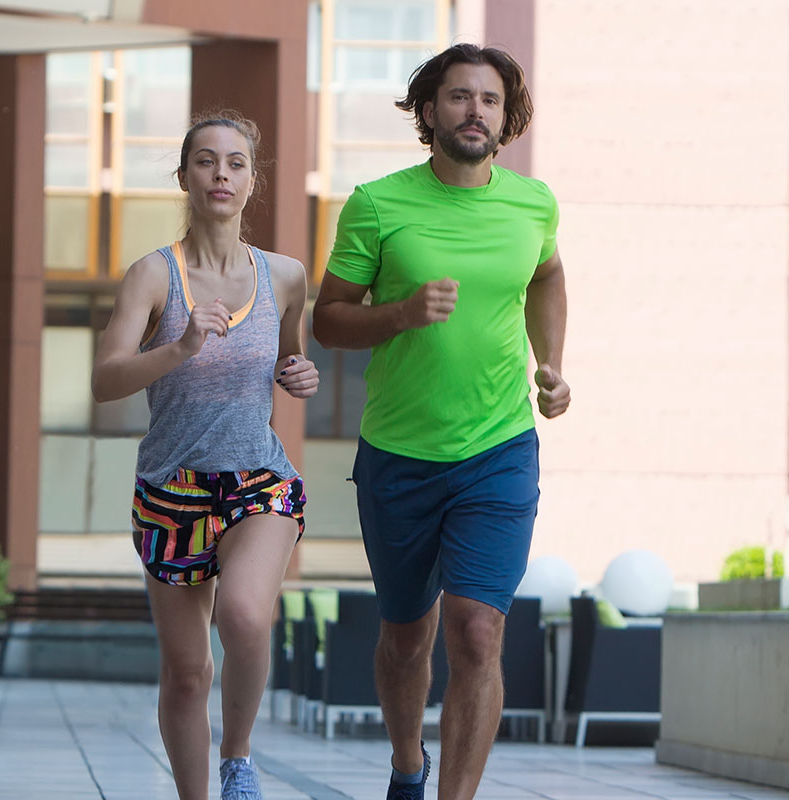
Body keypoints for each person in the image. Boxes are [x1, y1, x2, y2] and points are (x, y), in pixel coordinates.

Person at [310, 43, 570, 800]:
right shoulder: (377, 204)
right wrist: (398, 313)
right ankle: (406, 767)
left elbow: (548, 274)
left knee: (477, 631)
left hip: (498, 447)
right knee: (405, 637)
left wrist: (552, 363)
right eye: (459, 97)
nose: (475, 111)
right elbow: (329, 320)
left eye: (489, 99)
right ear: (430, 111)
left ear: (505, 116)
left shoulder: (534, 204)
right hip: (399, 453)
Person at [92, 112, 319, 800]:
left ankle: (238, 757)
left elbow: (287, 357)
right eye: (206, 161)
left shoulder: (285, 277)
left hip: (259, 478)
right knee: (188, 675)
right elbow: (105, 380)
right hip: (172, 488)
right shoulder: (152, 276)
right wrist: (181, 346)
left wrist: (299, 374)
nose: (222, 174)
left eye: (236, 163)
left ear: (252, 181)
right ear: (185, 177)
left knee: (245, 614)